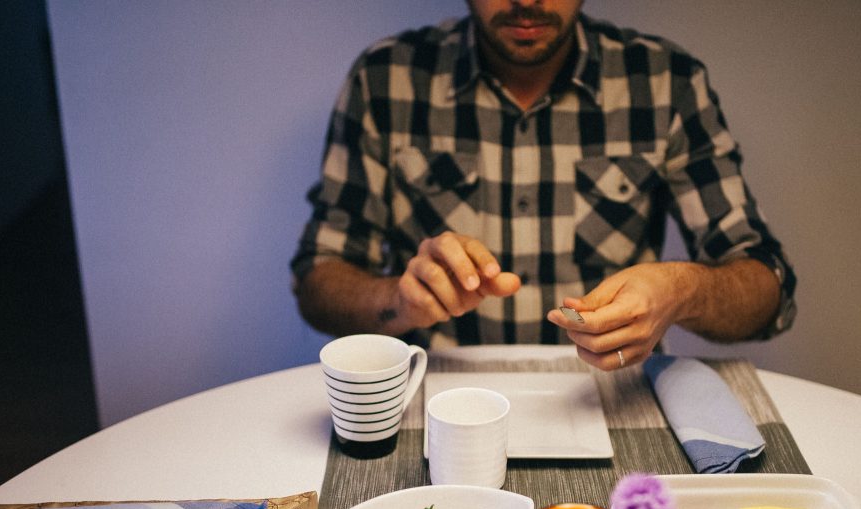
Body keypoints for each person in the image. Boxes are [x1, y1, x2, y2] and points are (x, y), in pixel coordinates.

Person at [291, 0, 796, 371]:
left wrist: (680, 290)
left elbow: (767, 286)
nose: (527, 0)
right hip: (436, 396)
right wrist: (398, 300)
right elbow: (319, 278)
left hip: (614, 396)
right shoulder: (386, 80)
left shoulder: (666, 82)